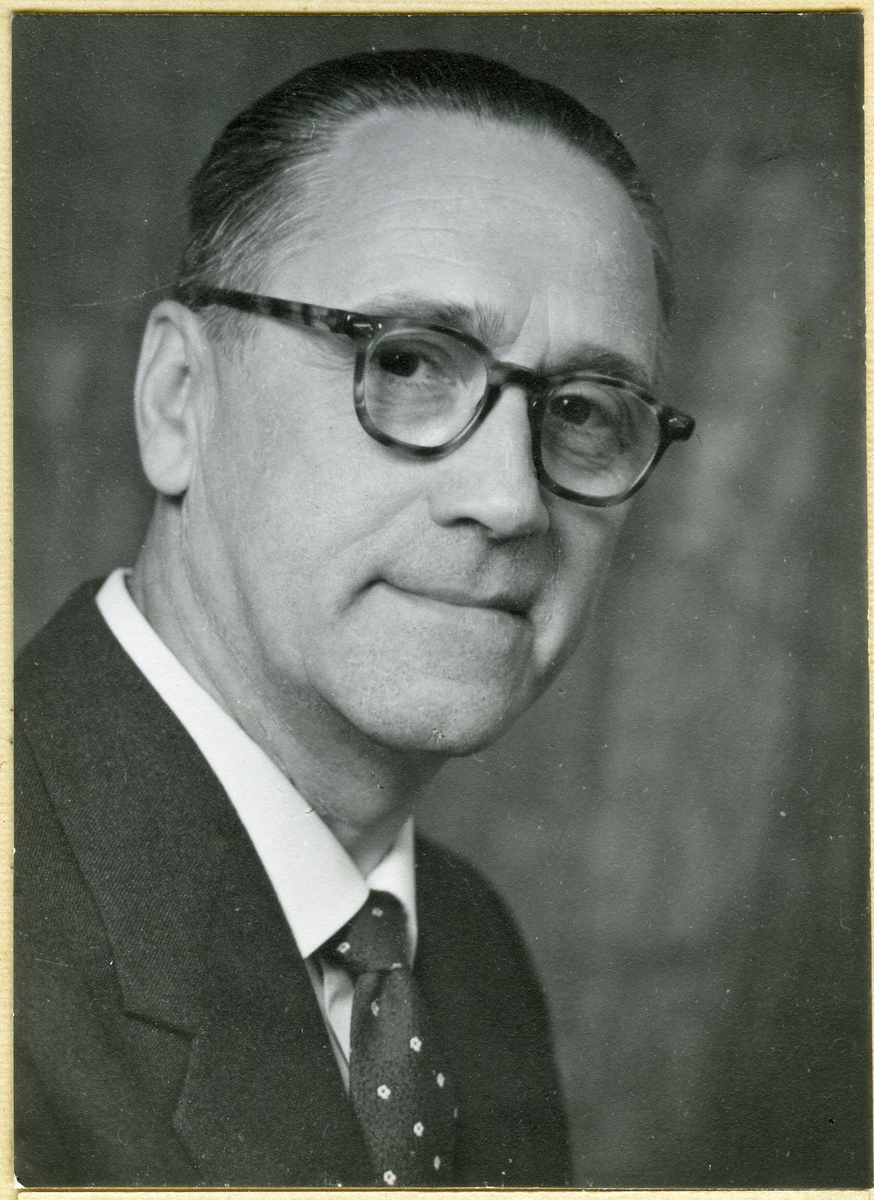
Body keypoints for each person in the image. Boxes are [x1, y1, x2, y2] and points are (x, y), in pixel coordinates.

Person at [14, 47, 694, 1187]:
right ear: (178, 401)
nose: (508, 500)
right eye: (410, 362)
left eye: (583, 411)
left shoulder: (463, 951)